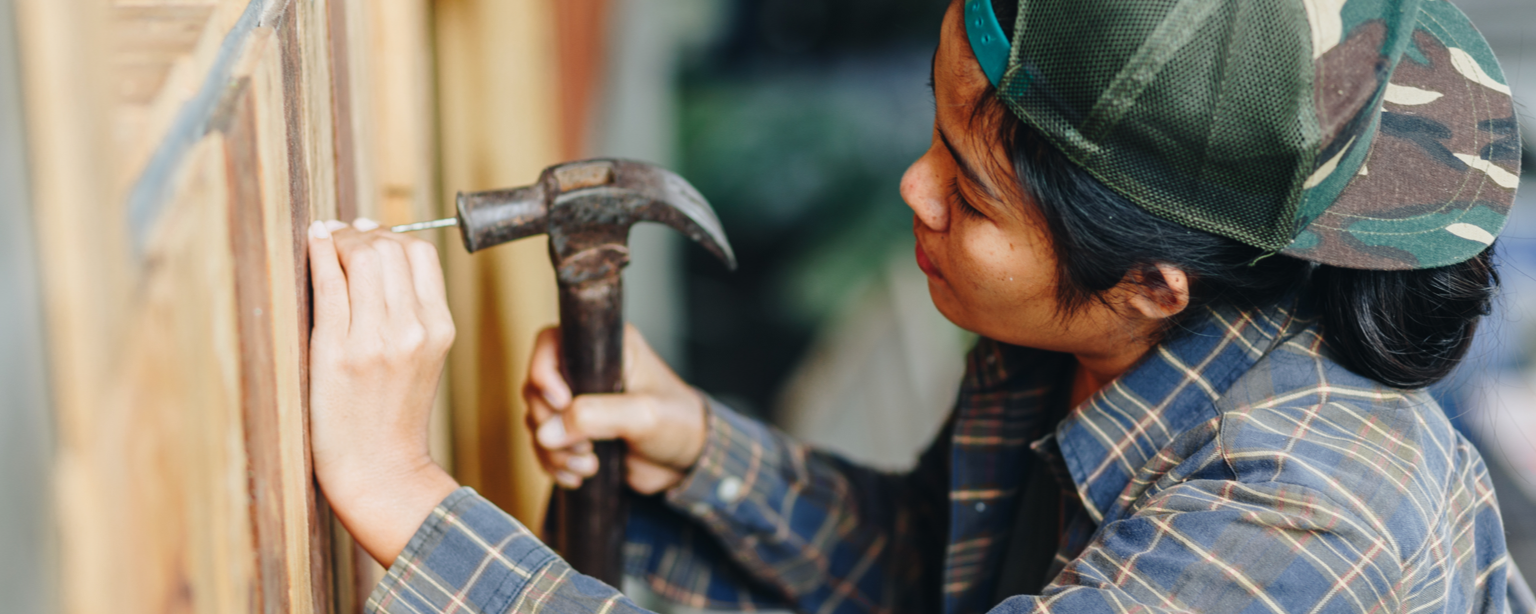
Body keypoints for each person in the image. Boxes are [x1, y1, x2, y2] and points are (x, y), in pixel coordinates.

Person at [303, 0, 1535, 611]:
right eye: (934, 131)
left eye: (973, 190)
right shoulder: (1094, 338)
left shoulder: (1307, 521)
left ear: (1153, 280)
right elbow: (933, 569)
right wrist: (696, 447)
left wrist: (406, 501)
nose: (914, 190)